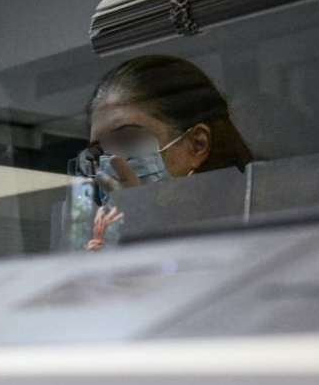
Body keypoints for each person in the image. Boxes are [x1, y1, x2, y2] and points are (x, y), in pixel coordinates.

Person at [79, 54, 255, 250]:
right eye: (98, 151)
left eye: (127, 138)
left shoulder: (259, 224)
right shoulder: (110, 243)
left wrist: (141, 219)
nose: (111, 161)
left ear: (197, 144)